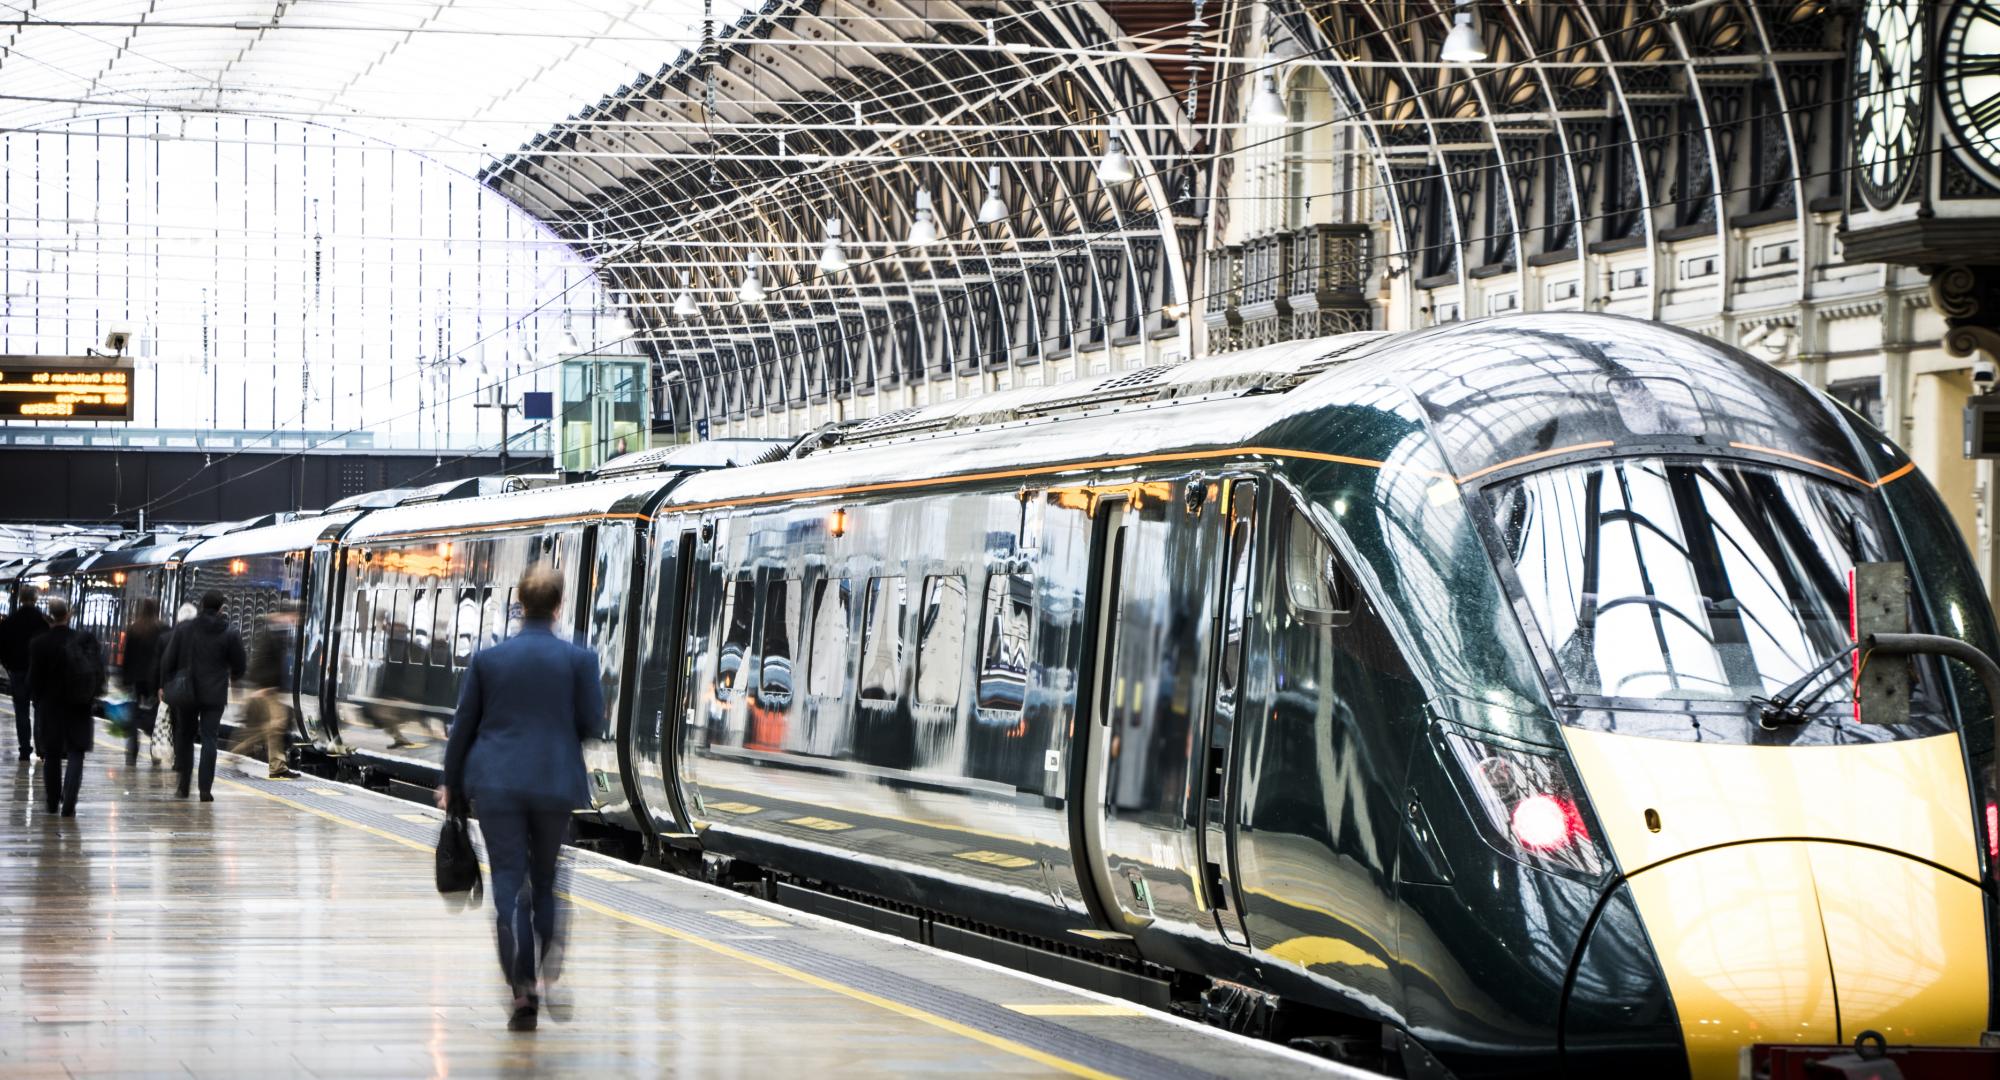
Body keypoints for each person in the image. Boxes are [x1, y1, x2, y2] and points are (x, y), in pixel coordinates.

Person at [437, 566, 601, 1033]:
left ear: (520, 604)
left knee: (509, 881)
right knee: (546, 881)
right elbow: (592, 725)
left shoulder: (490, 660)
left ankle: (521, 991)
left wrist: (452, 786)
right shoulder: (579, 660)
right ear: (558, 605)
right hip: (553, 783)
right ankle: (548, 962)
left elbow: (463, 728)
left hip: (496, 785)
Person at [160, 591, 246, 802]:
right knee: (210, 739)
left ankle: (183, 785)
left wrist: (163, 685)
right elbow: (240, 665)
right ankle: (205, 789)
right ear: (221, 609)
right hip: (214, 695)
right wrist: (233, 676)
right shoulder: (230, 632)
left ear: (201, 606)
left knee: (185, 736)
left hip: (186, 691)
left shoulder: (184, 629)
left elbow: (168, 659)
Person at [26, 597, 103, 817]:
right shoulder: (84, 640)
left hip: (51, 706)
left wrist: (38, 700)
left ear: (49, 615)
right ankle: (70, 799)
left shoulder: (39, 643)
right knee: (76, 752)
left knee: (51, 754)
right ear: (68, 615)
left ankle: (52, 802)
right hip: (79, 704)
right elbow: (97, 673)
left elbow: (33, 681)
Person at [235, 600, 301, 779]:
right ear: (286, 615)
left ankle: (277, 766)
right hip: (265, 689)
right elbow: (259, 659)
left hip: (271, 689)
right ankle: (236, 754)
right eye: (294, 616)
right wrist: (262, 686)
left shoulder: (279, 632)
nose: (295, 620)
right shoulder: (271, 632)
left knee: (271, 727)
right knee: (272, 726)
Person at [0, 585, 50, 762]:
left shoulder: (10, 620)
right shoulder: (43, 621)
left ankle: (24, 749)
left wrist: (8, 665)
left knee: (21, 711)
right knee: (39, 710)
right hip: (39, 672)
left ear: (21, 599)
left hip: (17, 671)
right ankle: (41, 747)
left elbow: (2, 647)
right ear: (35, 599)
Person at [119, 598, 168, 766]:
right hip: (154, 681)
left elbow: (127, 656)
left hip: (135, 679)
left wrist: (124, 679)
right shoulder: (163, 628)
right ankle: (155, 754)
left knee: (133, 715)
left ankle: (132, 752)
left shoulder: (134, 628)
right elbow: (165, 657)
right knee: (156, 718)